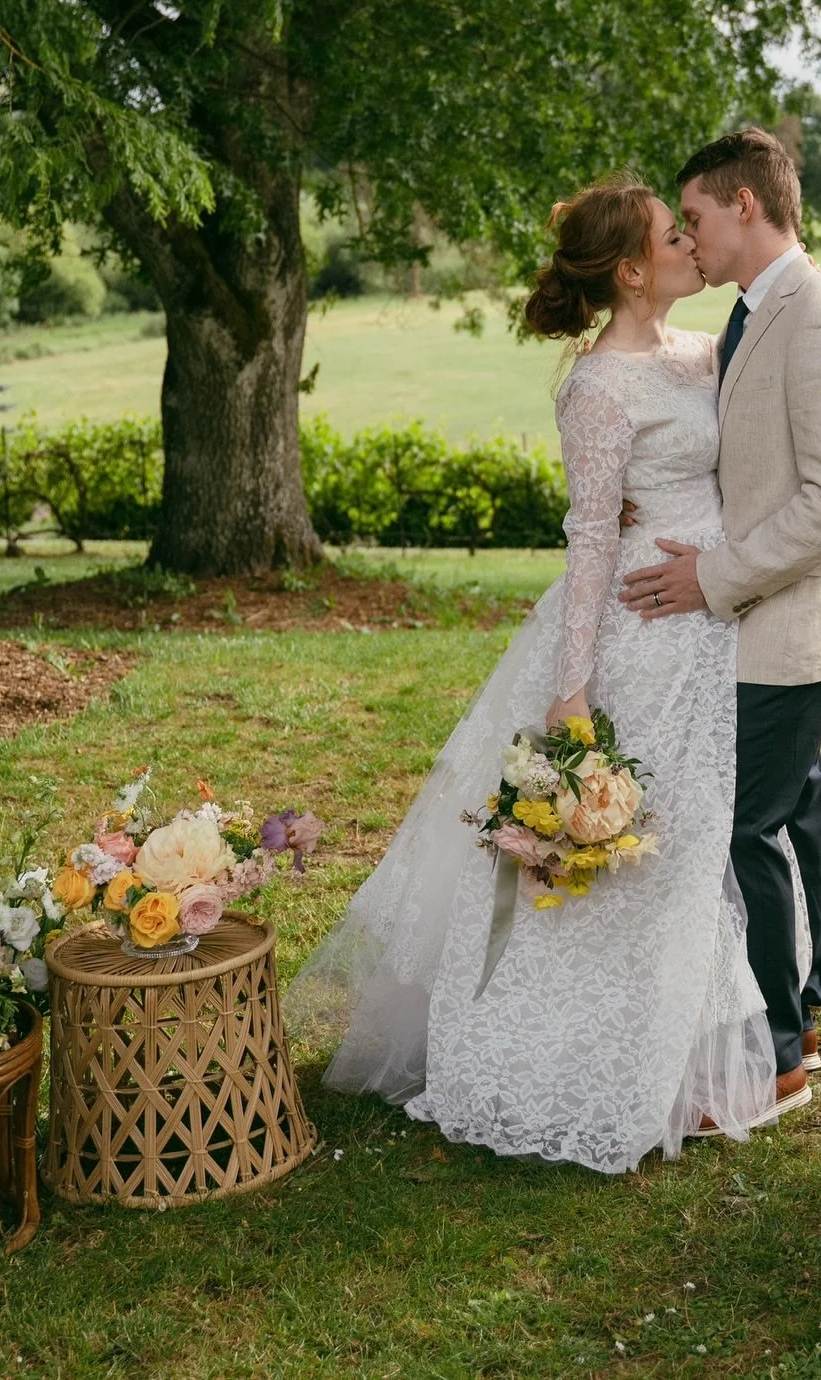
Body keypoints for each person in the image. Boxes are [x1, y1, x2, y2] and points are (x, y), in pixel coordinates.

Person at [286, 174, 780, 1174]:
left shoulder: (706, 351)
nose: (691, 242)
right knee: (628, 851)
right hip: (639, 635)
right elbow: (591, 534)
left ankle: (671, 1053)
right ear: (632, 271)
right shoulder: (597, 387)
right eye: (670, 235)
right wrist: (572, 685)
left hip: (712, 625)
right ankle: (563, 1064)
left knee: (690, 848)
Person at [619, 128, 821, 1105]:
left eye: (693, 215)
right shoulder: (745, 315)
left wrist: (716, 576)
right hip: (759, 615)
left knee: (745, 825)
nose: (687, 235)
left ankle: (776, 1057)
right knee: (793, 816)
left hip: (791, 621)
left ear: (744, 204)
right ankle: (802, 1008)